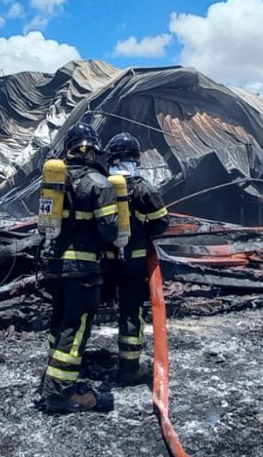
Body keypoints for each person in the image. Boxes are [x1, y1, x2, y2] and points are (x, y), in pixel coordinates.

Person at [40, 122, 119, 413]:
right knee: (75, 330)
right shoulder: (99, 184)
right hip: (83, 271)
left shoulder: (55, 181)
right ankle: (61, 395)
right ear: (94, 149)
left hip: (56, 267)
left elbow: (46, 227)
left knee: (59, 323)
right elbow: (110, 233)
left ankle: (52, 379)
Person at [102, 132, 169, 385]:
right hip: (133, 262)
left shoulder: (102, 185)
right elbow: (161, 222)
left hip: (104, 263)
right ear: (134, 158)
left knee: (84, 308)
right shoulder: (142, 187)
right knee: (131, 312)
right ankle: (129, 367)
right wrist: (142, 228)